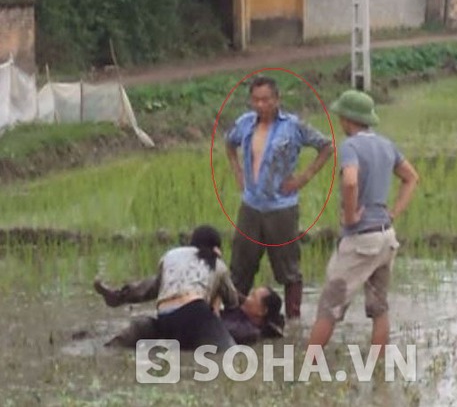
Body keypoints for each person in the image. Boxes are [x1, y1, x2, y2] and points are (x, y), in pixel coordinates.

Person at [307, 90, 419, 351]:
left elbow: (350, 180)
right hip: (386, 237)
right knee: (379, 308)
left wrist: (349, 215)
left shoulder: (350, 146)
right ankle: (377, 370)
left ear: (347, 119)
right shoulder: (386, 145)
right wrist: (393, 212)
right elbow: (411, 177)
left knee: (328, 307)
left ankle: (305, 370)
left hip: (361, 240)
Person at [225, 75, 333, 319]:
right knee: (240, 267)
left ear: (276, 100)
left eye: (265, 100)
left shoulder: (293, 126)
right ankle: (235, 317)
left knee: (288, 269)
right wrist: (238, 171)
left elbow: (326, 146)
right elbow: (229, 144)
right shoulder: (245, 123)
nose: (260, 105)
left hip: (281, 207)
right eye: (255, 100)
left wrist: (303, 178)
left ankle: (293, 319)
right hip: (251, 205)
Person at [95, 225, 238, 350]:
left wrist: (125, 296)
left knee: (150, 329)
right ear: (216, 249)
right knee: (229, 351)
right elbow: (233, 301)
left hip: (165, 317)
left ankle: (119, 299)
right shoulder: (218, 264)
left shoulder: (170, 255)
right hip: (195, 314)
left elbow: (154, 287)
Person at [96, 284, 285, 347]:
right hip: (181, 323)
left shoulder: (249, 331)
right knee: (141, 326)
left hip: (184, 338)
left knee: (142, 329)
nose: (248, 297)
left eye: (253, 296)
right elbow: (234, 294)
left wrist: (216, 305)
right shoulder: (241, 310)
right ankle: (104, 345)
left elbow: (216, 332)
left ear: (262, 311)